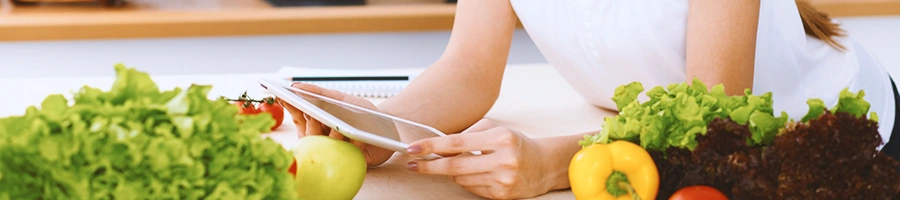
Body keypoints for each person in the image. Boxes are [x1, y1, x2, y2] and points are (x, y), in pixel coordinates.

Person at [280, 0, 898, 199]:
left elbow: (712, 116)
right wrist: (379, 125)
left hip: (835, 134)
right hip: (649, 140)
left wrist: (553, 164)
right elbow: (469, 67)